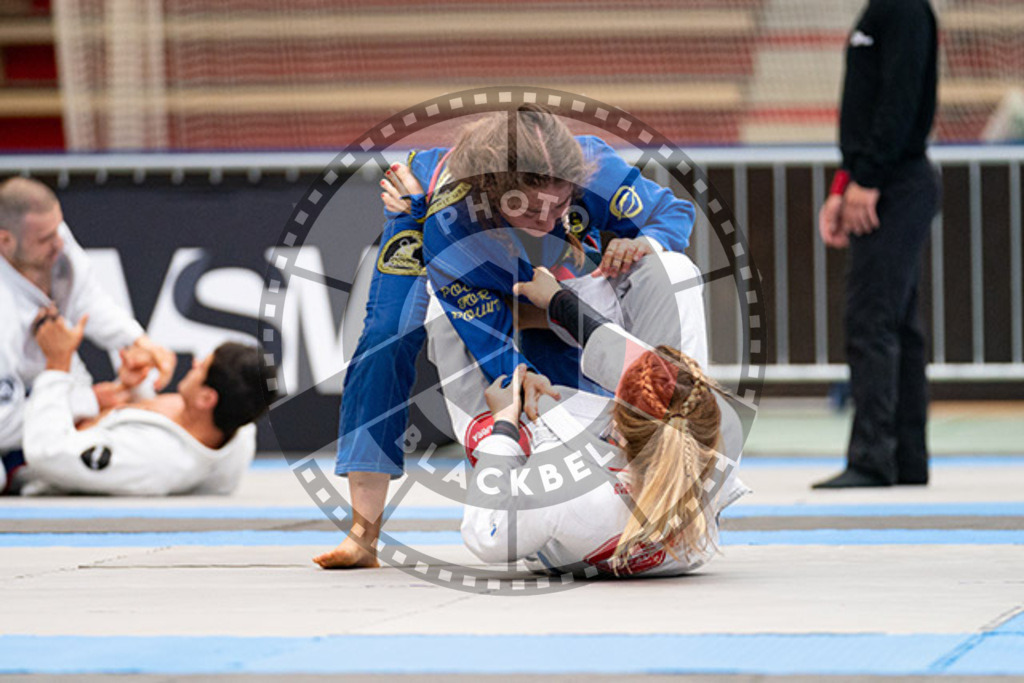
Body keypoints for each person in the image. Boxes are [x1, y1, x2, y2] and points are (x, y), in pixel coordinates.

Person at [315, 106, 703, 569]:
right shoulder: (451, 217)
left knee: (673, 269)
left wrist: (645, 241)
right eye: (530, 207)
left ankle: (669, 420)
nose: (547, 218)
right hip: (427, 219)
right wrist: (518, 394)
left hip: (561, 291)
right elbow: (491, 345)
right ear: (491, 195)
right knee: (387, 335)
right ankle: (363, 534)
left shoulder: (592, 169)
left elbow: (673, 213)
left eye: (559, 206)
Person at [461, 266, 747, 576]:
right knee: (674, 274)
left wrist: (503, 429)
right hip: (681, 545)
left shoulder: (563, 492)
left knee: (510, 411)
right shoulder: (723, 429)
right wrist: (558, 301)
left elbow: (485, 535)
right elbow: (634, 368)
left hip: (561, 528)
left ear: (617, 429)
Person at [814, 0, 940, 488]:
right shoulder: (881, 10)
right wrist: (844, 183)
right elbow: (863, 113)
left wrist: (868, 179)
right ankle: (906, 458)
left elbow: (900, 98)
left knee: (872, 319)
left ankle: (873, 459)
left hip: (896, 181)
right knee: (897, 323)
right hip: (879, 177)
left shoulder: (906, 8)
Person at [0, 177, 176, 485]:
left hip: (35, 391)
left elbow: (88, 298)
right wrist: (92, 400)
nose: (59, 242)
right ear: (5, 242)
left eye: (59, 229)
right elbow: (3, 425)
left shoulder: (53, 238)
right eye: (45, 238)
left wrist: (138, 341)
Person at [11, 306, 270, 496]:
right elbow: (145, 428)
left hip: (15, 455)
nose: (195, 362)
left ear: (207, 398)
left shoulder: (153, 463)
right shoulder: (235, 427)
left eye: (203, 367)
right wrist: (133, 391)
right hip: (47, 416)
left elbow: (47, 453)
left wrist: (57, 364)